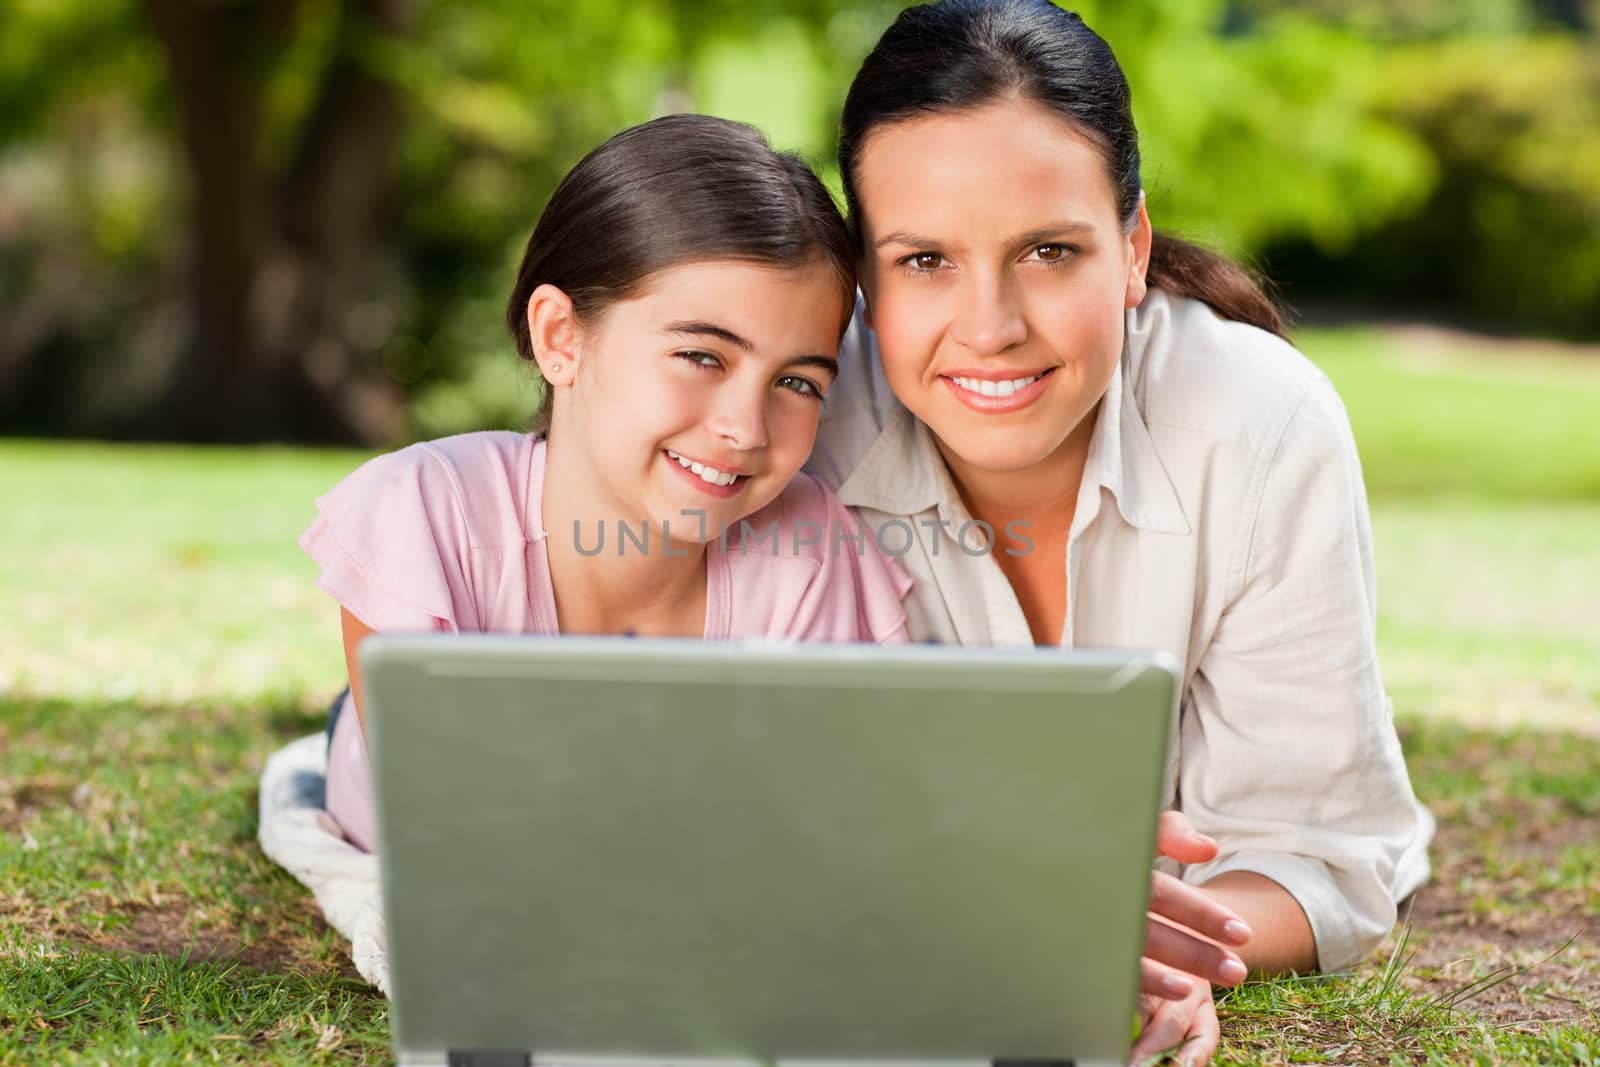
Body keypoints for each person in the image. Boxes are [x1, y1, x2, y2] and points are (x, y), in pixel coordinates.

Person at [807, 1, 1434, 1062]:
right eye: (924, 261)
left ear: (1132, 249)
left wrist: (1141, 952)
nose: (991, 324)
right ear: (865, 277)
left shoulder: (1258, 423)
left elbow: (1324, 848)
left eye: (1048, 250)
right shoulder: (799, 432)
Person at [299, 114, 911, 855]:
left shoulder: (811, 552)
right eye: (701, 356)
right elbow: (462, 846)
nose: (747, 427)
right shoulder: (427, 513)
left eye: (795, 381)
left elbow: (821, 828)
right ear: (562, 337)